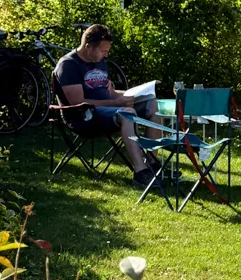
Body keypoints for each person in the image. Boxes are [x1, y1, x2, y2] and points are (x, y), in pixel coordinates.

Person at [53, 24, 162, 189]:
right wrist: (116, 103)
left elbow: (107, 92)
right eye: (104, 50)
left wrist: (132, 95)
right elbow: (78, 103)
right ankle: (140, 173)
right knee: (127, 113)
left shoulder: (99, 61)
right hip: (83, 117)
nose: (106, 54)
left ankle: (152, 164)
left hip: (109, 109)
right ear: (89, 47)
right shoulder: (68, 65)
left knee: (153, 104)